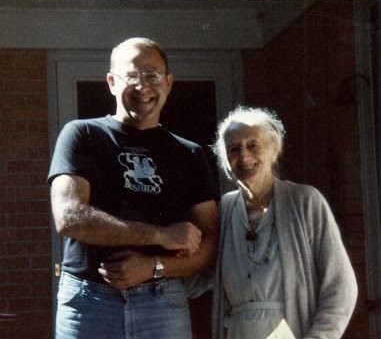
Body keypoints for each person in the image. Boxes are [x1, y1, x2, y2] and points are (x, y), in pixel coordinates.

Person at [48, 37, 219, 339]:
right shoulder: (82, 135)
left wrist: (153, 266)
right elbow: (69, 217)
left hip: (162, 303)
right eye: (132, 76)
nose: (143, 86)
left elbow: (208, 246)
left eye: (152, 75)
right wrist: (161, 235)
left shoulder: (190, 154)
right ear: (112, 82)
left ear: (168, 83)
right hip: (89, 302)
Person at [210, 105, 357, 339]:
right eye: (234, 149)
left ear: (274, 150)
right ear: (225, 160)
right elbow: (198, 278)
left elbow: (341, 287)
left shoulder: (305, 201)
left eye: (253, 145)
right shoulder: (224, 210)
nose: (244, 156)